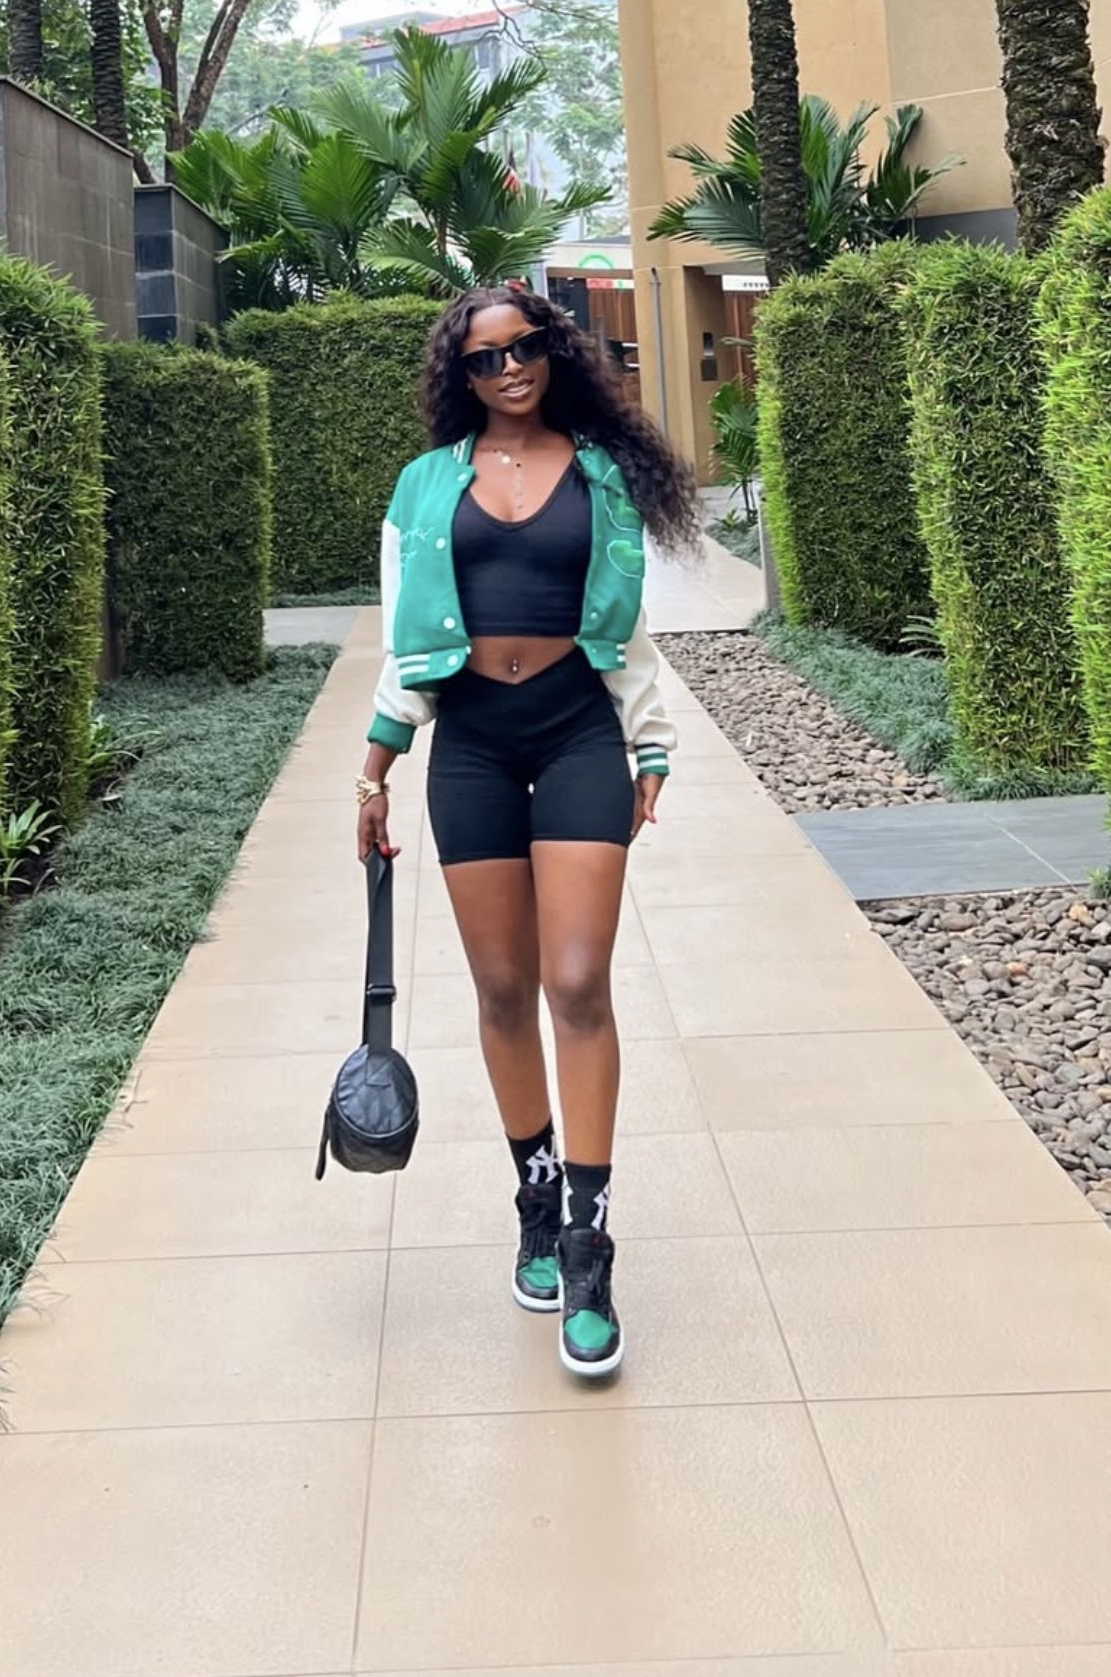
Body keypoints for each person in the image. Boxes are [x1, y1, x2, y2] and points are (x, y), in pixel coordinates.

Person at [357, 284, 699, 1378]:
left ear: (553, 349)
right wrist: (375, 766)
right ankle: (537, 1200)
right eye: (484, 358)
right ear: (458, 374)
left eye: (524, 347)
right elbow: (407, 636)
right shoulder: (424, 485)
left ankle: (590, 1246)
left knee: (577, 980)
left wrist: (651, 743)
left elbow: (626, 628)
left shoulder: (601, 473)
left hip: (577, 732)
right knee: (503, 989)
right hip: (471, 743)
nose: (509, 370)